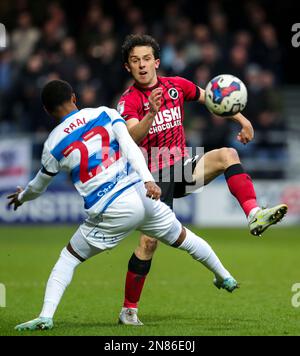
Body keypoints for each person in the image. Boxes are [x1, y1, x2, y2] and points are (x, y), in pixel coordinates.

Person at [8, 79, 238, 331]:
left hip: (109, 208)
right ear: (74, 97)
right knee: (184, 238)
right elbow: (130, 147)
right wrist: (149, 181)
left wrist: (21, 197)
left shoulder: (52, 144)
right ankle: (224, 275)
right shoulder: (104, 113)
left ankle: (45, 315)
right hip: (142, 195)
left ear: (47, 110)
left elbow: (37, 187)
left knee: (68, 257)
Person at [117, 34, 288, 325]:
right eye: (135, 61)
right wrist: (152, 114)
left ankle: (254, 215)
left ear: (157, 62)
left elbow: (213, 99)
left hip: (181, 166)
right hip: (153, 176)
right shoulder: (129, 101)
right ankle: (128, 310)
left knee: (227, 155)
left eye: (146, 59)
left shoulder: (176, 86)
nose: (142, 65)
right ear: (128, 67)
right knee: (149, 243)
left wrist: (243, 120)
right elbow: (131, 137)